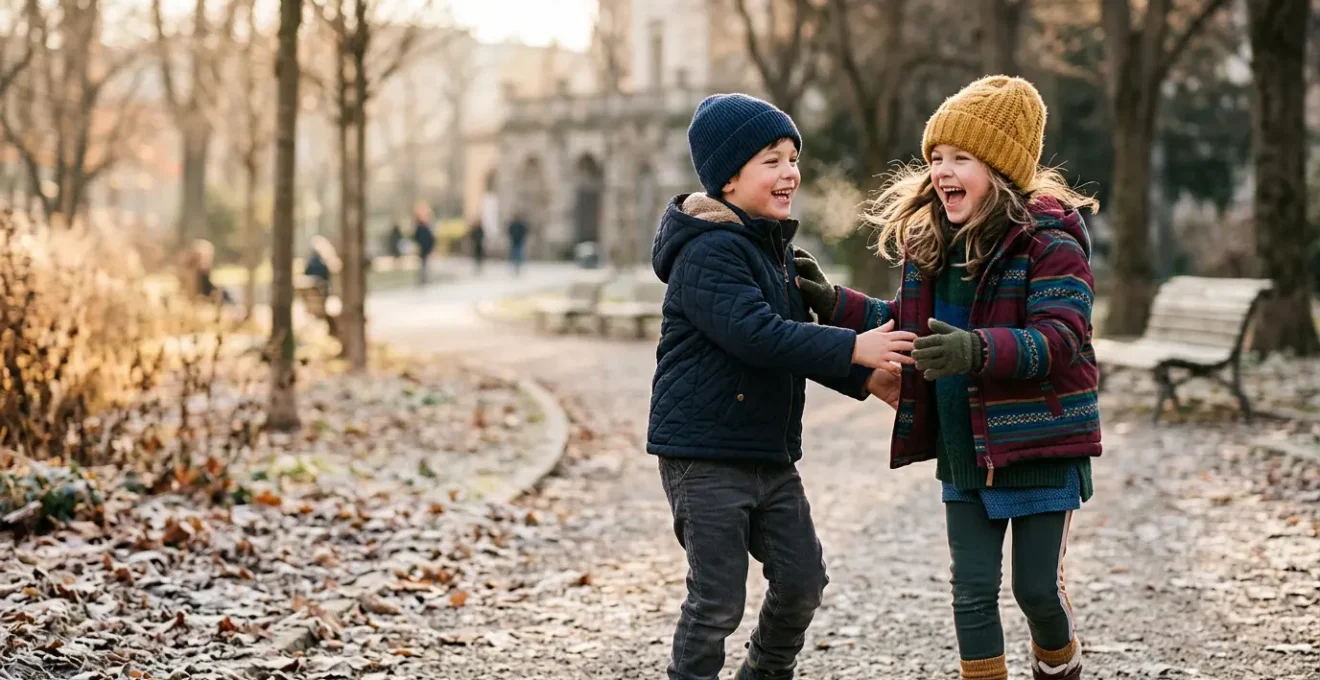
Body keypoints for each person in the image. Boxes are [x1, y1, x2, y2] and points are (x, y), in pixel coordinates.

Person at [794, 76, 1101, 680]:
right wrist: (837, 304)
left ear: (1003, 169)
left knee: (1036, 591)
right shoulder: (930, 244)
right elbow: (910, 328)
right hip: (965, 447)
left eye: (962, 158)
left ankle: (1060, 663)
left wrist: (976, 350)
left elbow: (1060, 339)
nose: (942, 171)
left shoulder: (1051, 244)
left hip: (1041, 444)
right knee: (972, 594)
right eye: (936, 157)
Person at [648, 93, 916, 680]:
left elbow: (790, 339)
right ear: (728, 178)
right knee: (717, 602)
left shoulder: (773, 250)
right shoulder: (708, 251)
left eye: (793, 158)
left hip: (767, 454)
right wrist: (852, 345)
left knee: (801, 582)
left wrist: (864, 376)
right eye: (771, 160)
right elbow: (757, 336)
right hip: (704, 455)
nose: (790, 172)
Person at [413, 207, 436, 285]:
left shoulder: (427, 227)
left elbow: (431, 238)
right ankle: (422, 276)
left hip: (426, 247)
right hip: (422, 248)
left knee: (425, 263)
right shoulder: (419, 227)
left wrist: (431, 247)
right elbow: (416, 237)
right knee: (423, 263)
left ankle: (425, 276)